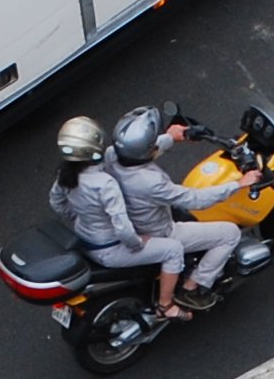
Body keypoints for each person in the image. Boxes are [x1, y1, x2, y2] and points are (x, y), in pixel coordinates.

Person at [51, 114, 198, 321]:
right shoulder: (104, 183)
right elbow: (122, 228)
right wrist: (138, 243)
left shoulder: (65, 174)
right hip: (109, 250)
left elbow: (56, 202)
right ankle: (166, 306)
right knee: (173, 250)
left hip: (85, 240)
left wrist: (81, 217)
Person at [107, 106, 244, 317]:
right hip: (159, 231)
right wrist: (239, 183)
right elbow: (194, 199)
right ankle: (194, 287)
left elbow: (139, 154)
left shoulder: (112, 156)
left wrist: (170, 137)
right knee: (230, 233)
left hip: (133, 221)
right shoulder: (151, 182)